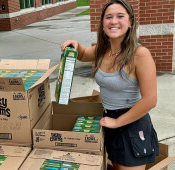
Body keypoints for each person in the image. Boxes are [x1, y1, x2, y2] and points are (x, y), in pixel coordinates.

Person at [61, 0, 159, 169]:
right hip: (109, 122)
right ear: (102, 23)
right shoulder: (103, 49)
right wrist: (75, 45)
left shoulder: (140, 54)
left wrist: (118, 122)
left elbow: (150, 100)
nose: (113, 21)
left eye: (120, 16)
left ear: (130, 22)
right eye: (108, 17)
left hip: (132, 126)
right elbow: (84, 54)